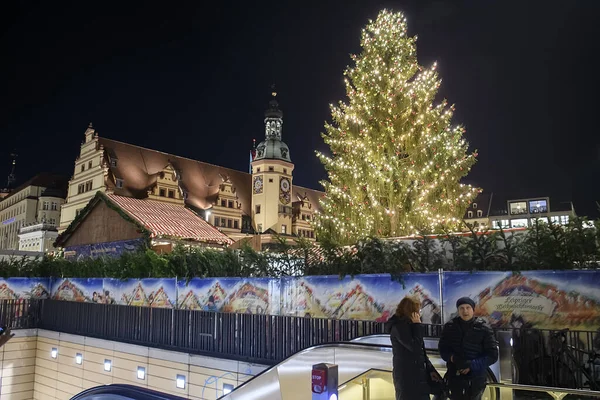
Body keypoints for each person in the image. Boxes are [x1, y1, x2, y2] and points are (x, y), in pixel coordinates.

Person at [439, 297, 498, 400]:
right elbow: (443, 349)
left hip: (477, 378)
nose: (465, 311)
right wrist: (452, 358)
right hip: (455, 376)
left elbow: (492, 355)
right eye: (461, 308)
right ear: (458, 310)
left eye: (468, 307)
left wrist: (471, 365)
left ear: (473, 310)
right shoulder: (449, 327)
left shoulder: (484, 329)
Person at [385, 296, 443, 400]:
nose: (419, 313)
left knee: (441, 390)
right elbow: (415, 347)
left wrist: (430, 369)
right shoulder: (399, 327)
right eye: (418, 310)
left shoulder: (410, 326)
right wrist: (417, 326)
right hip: (407, 378)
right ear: (411, 311)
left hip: (418, 375)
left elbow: (421, 352)